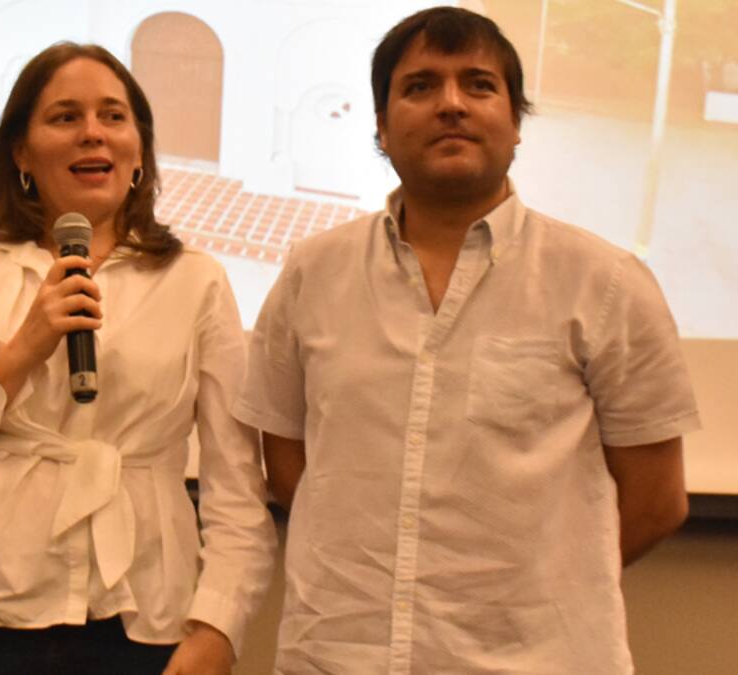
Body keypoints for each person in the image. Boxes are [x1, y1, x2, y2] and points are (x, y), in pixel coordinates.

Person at [234, 7, 700, 674]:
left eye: (478, 84)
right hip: (338, 654)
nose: (450, 103)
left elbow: (657, 500)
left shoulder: (606, 283)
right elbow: (288, 461)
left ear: (516, 122)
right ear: (381, 126)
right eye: (420, 86)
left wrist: (541, 590)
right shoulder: (313, 272)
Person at [0, 42, 275, 675]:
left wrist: (219, 629)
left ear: (139, 151)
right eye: (65, 117)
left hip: (148, 615)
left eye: (113, 116)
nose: (93, 132)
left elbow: (236, 486)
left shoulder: (196, 280)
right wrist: (18, 354)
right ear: (21, 152)